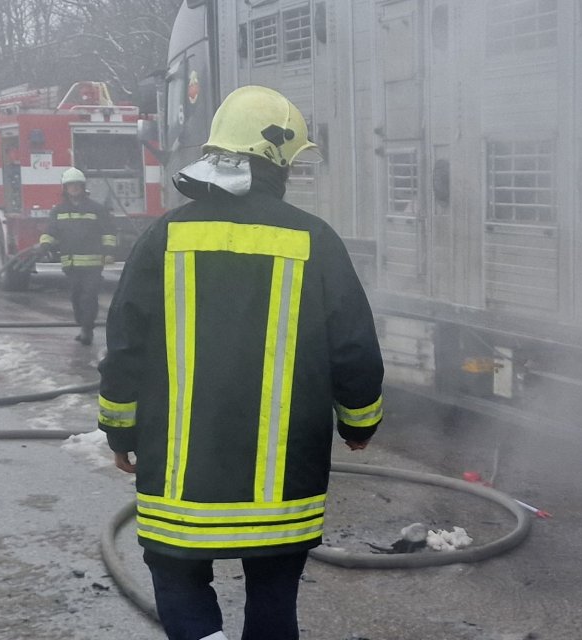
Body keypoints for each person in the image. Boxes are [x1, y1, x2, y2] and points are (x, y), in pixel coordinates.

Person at [95, 85, 386, 640]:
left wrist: (118, 431)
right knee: (274, 598)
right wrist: (359, 424)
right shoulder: (314, 240)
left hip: (179, 478)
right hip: (281, 484)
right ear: (277, 159)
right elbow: (353, 347)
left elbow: (126, 347)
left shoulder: (162, 237)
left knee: (179, 585)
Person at [40, 168, 117, 345]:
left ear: (82, 187)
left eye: (77, 185)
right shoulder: (58, 211)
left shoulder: (96, 209)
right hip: (71, 264)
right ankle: (82, 323)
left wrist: (109, 253)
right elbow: (51, 231)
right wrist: (44, 245)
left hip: (93, 264)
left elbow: (108, 232)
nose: (74, 189)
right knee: (76, 296)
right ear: (65, 189)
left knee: (89, 296)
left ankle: (87, 329)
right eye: (70, 186)